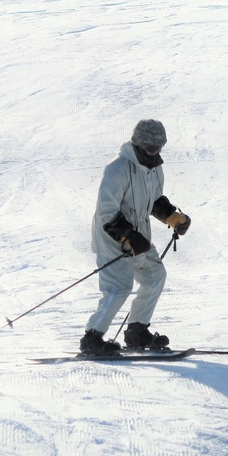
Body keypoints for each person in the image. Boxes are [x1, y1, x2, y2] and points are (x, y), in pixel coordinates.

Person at [80, 119, 191, 355]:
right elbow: (106, 211)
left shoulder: (154, 169)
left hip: (138, 237)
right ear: (139, 142)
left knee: (154, 276)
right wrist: (128, 236)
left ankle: (136, 331)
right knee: (119, 288)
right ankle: (92, 337)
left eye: (159, 146)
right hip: (112, 237)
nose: (155, 151)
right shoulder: (118, 168)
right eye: (150, 146)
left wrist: (173, 217)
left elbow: (154, 201)